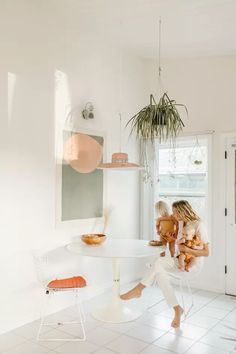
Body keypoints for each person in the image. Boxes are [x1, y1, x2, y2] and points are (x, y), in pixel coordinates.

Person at [120, 200, 209, 328]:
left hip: (192, 264)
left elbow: (206, 252)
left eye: (175, 212)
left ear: (182, 211)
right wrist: (171, 238)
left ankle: (139, 289)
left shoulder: (199, 225)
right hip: (180, 260)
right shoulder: (181, 223)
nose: (173, 215)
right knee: (159, 271)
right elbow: (178, 244)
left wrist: (187, 250)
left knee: (158, 268)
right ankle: (176, 309)